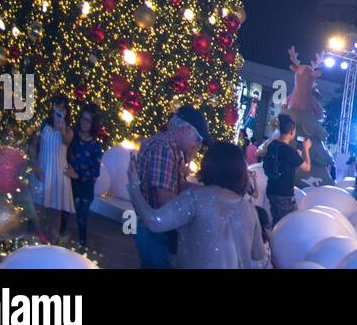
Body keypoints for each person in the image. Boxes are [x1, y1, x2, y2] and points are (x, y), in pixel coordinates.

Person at [127, 142, 267, 268]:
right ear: (240, 172)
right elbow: (259, 255)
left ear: (208, 165)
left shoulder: (195, 198)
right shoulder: (249, 210)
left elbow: (154, 221)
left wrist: (134, 187)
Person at [134, 105, 210, 268]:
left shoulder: (172, 148)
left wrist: (210, 192)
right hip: (155, 229)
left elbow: (178, 185)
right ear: (185, 130)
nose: (198, 145)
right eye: (198, 139)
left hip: (155, 227)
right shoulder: (163, 148)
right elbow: (164, 199)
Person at [32, 95, 74, 241]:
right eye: (57, 106)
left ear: (67, 111)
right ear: (52, 107)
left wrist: (62, 128)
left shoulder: (69, 130)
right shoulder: (42, 125)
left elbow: (66, 141)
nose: (59, 110)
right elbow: (33, 146)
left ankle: (52, 241)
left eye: (63, 108)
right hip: (42, 170)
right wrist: (35, 164)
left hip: (59, 174)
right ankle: (35, 239)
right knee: (37, 209)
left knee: (56, 211)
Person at [65, 105, 104, 248]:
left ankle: (82, 246)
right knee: (65, 213)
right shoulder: (72, 136)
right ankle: (60, 238)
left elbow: (95, 171)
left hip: (85, 188)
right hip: (69, 184)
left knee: (81, 218)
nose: (84, 122)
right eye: (82, 118)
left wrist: (77, 175)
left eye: (88, 120)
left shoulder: (95, 146)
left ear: (93, 124)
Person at [262, 114, 310, 225]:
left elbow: (283, 166)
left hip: (271, 190)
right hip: (284, 194)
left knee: (277, 221)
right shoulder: (289, 151)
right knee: (288, 224)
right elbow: (307, 167)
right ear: (292, 132)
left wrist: (296, 157)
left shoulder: (272, 145)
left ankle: (272, 240)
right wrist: (306, 149)